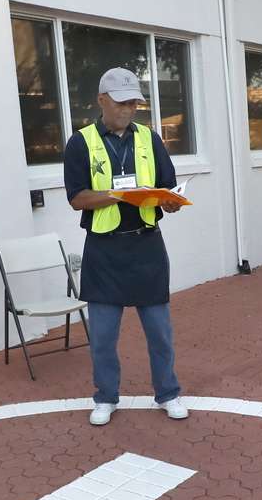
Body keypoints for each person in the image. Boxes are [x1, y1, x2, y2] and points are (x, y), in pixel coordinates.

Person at [64, 68, 188, 426]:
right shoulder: (81, 142)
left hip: (147, 247)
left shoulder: (150, 139)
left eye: (134, 103)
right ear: (102, 100)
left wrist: (171, 201)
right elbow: (77, 198)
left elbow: (169, 186)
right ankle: (105, 397)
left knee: (160, 334)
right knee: (103, 338)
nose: (129, 109)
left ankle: (168, 393)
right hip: (104, 252)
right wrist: (119, 195)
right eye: (122, 103)